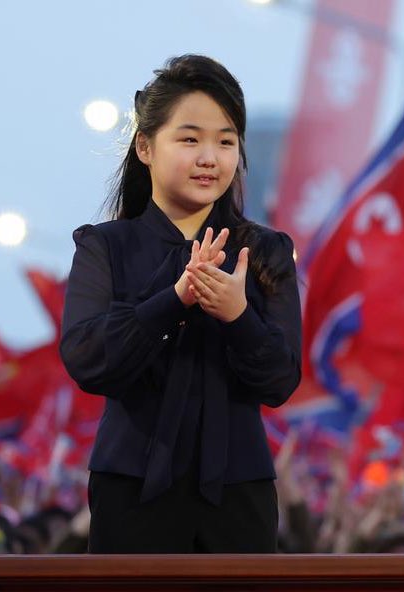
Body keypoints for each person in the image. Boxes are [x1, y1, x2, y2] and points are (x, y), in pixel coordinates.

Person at [60, 55, 301, 553]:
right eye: (190, 140)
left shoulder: (265, 251)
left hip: (239, 491)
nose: (209, 157)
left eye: (226, 142)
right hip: (131, 487)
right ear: (145, 147)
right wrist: (174, 300)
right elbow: (87, 358)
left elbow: (281, 379)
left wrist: (238, 316)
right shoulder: (105, 246)